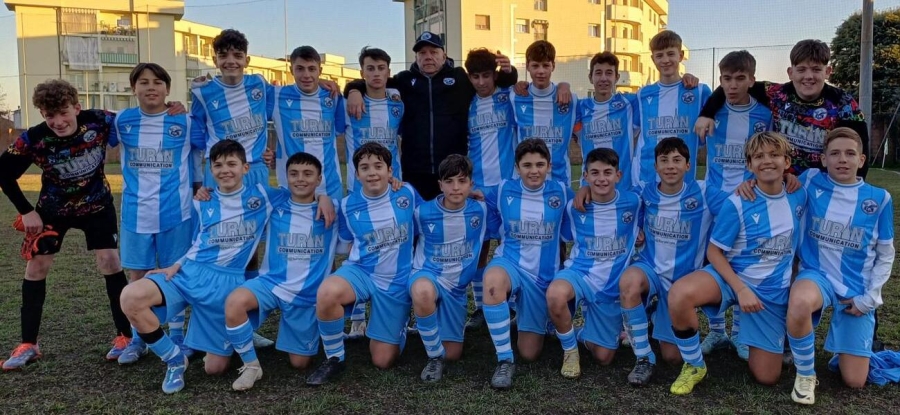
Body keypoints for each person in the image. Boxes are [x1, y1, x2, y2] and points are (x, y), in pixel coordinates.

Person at [119, 139, 286, 393]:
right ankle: (174, 359)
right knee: (130, 297)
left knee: (214, 369)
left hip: (226, 283)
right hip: (189, 273)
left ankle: (223, 337)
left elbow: (301, 193)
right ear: (211, 169)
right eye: (218, 165)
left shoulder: (263, 196)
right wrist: (177, 264)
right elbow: (197, 241)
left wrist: (324, 199)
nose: (225, 170)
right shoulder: (202, 200)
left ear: (245, 168)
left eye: (232, 164)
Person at [0, 79, 135, 369]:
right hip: (53, 210)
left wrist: (172, 108)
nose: (58, 122)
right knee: (36, 267)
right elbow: (3, 172)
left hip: (97, 205)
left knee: (110, 262)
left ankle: (126, 336)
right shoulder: (34, 138)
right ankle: (28, 344)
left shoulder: (99, 120)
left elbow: (140, 118)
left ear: (76, 107)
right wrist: (26, 211)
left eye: (63, 113)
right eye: (50, 116)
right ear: (42, 114)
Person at [666, 131, 806, 395]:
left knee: (767, 377)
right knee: (679, 294)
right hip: (730, 279)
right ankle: (694, 364)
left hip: (770, 293)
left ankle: (749, 336)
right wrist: (740, 289)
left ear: (787, 162)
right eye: (759, 156)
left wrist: (792, 178)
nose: (767, 161)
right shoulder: (738, 201)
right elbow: (714, 252)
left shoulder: (799, 194)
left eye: (774, 155)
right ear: (749, 165)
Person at [786, 127, 894, 404]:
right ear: (823, 159)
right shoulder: (810, 180)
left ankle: (847, 350)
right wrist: (750, 183)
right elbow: (775, 185)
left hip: (855, 290)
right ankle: (806, 375)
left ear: (861, 159)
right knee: (799, 301)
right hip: (816, 275)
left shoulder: (880, 198)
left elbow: (885, 255)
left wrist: (870, 298)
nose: (842, 159)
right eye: (834, 153)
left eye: (850, 153)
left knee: (854, 381)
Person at [344, 32, 518, 200]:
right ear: (416, 57)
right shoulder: (404, 80)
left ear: (444, 55)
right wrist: (353, 89)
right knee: (418, 217)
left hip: (453, 170)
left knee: (452, 218)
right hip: (414, 172)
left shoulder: (460, 78)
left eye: (433, 52)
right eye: (422, 53)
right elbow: (375, 81)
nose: (428, 57)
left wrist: (510, 72)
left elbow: (493, 81)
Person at [114, 63, 206, 365]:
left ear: (167, 88)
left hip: (176, 213)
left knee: (174, 274)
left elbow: (209, 145)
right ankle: (138, 339)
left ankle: (177, 335)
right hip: (135, 214)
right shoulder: (121, 121)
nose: (150, 87)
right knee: (137, 276)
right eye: (143, 82)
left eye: (157, 82)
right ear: (133, 88)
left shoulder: (185, 121)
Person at [223, 152, 338, 391]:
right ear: (286, 177)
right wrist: (204, 192)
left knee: (300, 363)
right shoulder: (273, 205)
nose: (300, 179)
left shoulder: (333, 211)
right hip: (270, 284)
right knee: (235, 302)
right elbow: (234, 195)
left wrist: (324, 197)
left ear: (319, 179)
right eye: (294, 174)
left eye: (308, 174)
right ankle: (251, 365)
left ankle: (309, 330)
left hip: (305, 296)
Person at [307, 142, 420, 386]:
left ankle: (399, 322)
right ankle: (334, 358)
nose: (372, 173)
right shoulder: (348, 205)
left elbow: (434, 214)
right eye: (365, 168)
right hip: (362, 272)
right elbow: (346, 243)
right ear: (357, 174)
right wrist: (321, 195)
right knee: (327, 292)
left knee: (383, 360)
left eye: (378, 166)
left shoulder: (407, 193)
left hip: (396, 281)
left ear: (390, 171)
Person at [617, 137, 722, 387]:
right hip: (650, 269)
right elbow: (613, 199)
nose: (670, 166)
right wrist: (586, 190)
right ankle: (644, 358)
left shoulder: (705, 192)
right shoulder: (645, 192)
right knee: (629, 282)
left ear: (688, 165)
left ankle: (653, 313)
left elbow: (739, 205)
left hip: (681, 281)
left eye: (677, 160)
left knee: (673, 358)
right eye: (664, 160)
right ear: (655, 166)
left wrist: (756, 184)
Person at [698, 50, 773, 361]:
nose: (732, 85)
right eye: (726, 79)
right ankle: (717, 330)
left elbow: (768, 156)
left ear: (752, 80)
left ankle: (741, 332)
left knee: (744, 262)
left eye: (740, 78)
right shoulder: (711, 112)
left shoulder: (765, 115)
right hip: (714, 198)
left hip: (749, 200)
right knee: (710, 260)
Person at [480, 138, 572, 390]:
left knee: (530, 353)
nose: (534, 171)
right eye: (527, 165)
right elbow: (478, 198)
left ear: (549, 166)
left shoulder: (561, 191)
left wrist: (584, 191)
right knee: (492, 282)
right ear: (517, 167)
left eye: (540, 165)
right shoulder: (503, 189)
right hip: (510, 264)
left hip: (542, 279)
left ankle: (527, 318)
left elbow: (587, 204)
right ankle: (504, 361)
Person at [546, 148, 641, 379]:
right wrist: (583, 190)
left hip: (611, 287)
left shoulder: (635, 202)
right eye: (595, 173)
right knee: (556, 294)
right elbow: (560, 236)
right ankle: (570, 352)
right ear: (585, 176)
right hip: (579, 274)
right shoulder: (574, 207)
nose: (601, 179)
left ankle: (580, 333)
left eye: (607, 173)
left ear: (618, 175)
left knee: (603, 357)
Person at [409, 154, 488, 382]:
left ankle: (431, 328)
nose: (455, 187)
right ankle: (434, 357)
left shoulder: (481, 209)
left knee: (453, 354)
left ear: (471, 184)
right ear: (440, 185)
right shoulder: (421, 212)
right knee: (423, 292)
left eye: (462, 181)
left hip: (456, 290)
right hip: (428, 276)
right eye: (449, 181)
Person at [342, 46, 404, 338]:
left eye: (381, 68)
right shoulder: (348, 104)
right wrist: (352, 90)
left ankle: (397, 314)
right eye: (370, 68)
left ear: (389, 72)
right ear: (362, 72)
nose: (376, 73)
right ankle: (357, 318)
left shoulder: (397, 103)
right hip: (358, 191)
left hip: (393, 187)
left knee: (394, 247)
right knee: (357, 249)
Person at [462, 48, 518, 330]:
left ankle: (513, 304)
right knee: (479, 249)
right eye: (475, 77)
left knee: (511, 246)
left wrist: (512, 71)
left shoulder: (509, 97)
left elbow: (530, 89)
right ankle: (482, 306)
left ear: (494, 75)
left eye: (486, 75)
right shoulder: (467, 104)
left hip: (508, 187)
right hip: (478, 189)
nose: (481, 82)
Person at [633, 30, 712, 190]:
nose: (665, 60)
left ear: (680, 56)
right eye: (659, 55)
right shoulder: (642, 94)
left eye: (671, 54)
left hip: (684, 179)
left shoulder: (700, 91)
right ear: (653, 59)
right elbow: (632, 131)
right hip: (645, 178)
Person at [270, 45, 345, 202]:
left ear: (320, 70)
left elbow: (340, 130)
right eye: (300, 69)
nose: (306, 75)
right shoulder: (276, 96)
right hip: (291, 187)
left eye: (312, 69)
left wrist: (354, 90)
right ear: (291, 70)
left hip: (330, 187)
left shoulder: (334, 97)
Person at [511, 40, 578, 185]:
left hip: (560, 183)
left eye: (546, 65)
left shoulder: (571, 100)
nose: (541, 71)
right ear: (527, 66)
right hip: (525, 185)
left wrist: (564, 84)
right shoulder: (515, 97)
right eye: (535, 65)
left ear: (553, 66)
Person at [575, 52, 638, 192]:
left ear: (617, 77)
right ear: (590, 77)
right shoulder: (579, 107)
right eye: (598, 73)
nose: (603, 78)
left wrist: (685, 79)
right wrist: (564, 85)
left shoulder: (630, 103)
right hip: (590, 189)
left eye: (609, 73)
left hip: (624, 189)